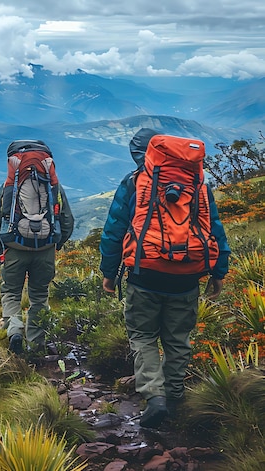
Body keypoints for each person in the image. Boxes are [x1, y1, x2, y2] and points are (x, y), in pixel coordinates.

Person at [99, 128, 231, 428]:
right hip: (187, 277)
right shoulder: (198, 186)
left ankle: (154, 396)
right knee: (177, 339)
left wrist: (109, 274)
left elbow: (114, 231)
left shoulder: (134, 183)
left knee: (143, 336)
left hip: (144, 276)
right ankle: (174, 396)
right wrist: (218, 273)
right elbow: (216, 230)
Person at [0, 140, 74, 355]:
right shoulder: (54, 187)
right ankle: (36, 345)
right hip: (45, 249)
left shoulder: (9, 187)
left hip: (15, 248)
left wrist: (0, 252)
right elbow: (67, 221)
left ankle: (15, 330)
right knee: (40, 296)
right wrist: (56, 245)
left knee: (11, 293)